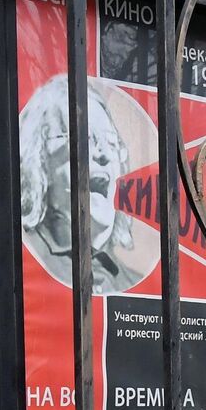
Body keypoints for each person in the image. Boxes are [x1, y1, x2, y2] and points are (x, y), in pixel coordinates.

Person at [19, 77, 145, 295]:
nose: (104, 154)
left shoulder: (134, 284)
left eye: (112, 141)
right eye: (84, 139)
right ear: (39, 157)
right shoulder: (21, 267)